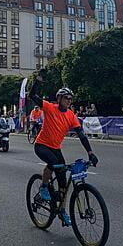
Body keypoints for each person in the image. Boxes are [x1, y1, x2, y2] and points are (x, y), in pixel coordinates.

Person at [29, 70, 98, 227]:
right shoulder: (49, 107)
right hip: (42, 145)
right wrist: (38, 81)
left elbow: (81, 134)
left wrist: (90, 153)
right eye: (66, 98)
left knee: (62, 184)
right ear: (59, 98)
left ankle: (61, 210)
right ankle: (44, 187)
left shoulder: (71, 115)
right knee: (54, 164)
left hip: (55, 147)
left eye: (71, 99)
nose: (69, 101)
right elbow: (32, 96)